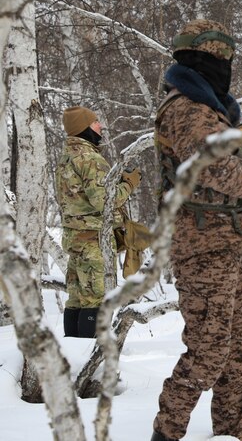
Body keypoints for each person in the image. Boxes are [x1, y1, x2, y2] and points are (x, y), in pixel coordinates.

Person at [151, 19, 242, 441]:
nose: (225, 67)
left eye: (227, 59)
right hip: (199, 246)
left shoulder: (211, 107)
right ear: (196, 60)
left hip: (222, 245)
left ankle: (230, 433)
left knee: (239, 357)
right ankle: (166, 432)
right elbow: (206, 163)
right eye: (217, 59)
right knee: (207, 355)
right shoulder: (187, 106)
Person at [56, 106, 141, 338]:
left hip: (74, 238)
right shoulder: (91, 158)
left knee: (77, 298)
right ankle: (90, 360)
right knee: (96, 298)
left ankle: (73, 355)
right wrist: (130, 184)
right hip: (93, 240)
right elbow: (104, 201)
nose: (100, 126)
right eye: (95, 123)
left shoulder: (67, 156)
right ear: (84, 128)